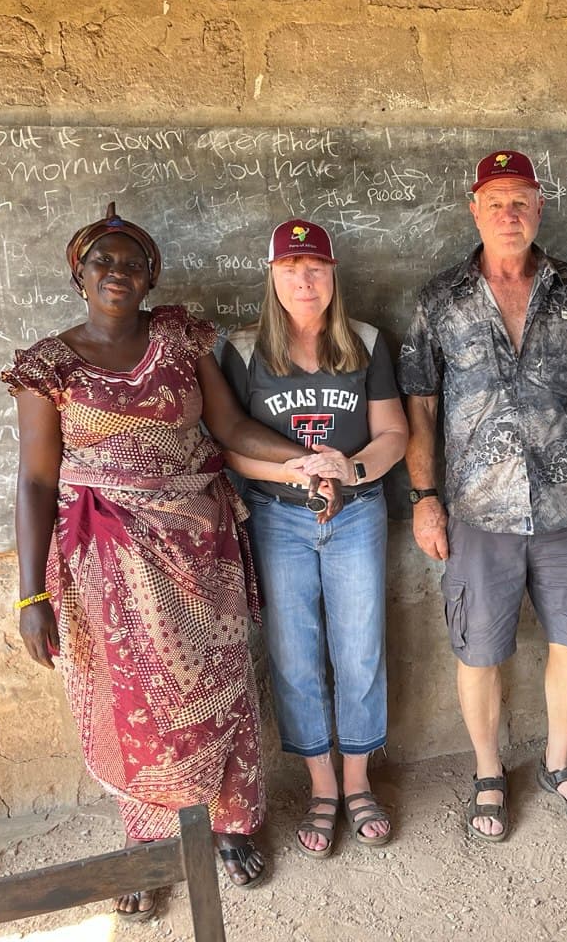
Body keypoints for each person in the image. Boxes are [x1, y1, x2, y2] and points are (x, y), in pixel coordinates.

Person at [3, 203, 337, 920]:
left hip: (201, 545)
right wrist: (32, 597)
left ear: (151, 275)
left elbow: (233, 427)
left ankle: (231, 826)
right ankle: (146, 847)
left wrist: (302, 457)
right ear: (78, 274)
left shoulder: (181, 341)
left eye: (131, 263)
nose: (116, 273)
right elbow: (34, 482)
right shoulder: (49, 367)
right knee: (132, 706)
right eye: (102, 262)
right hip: (109, 564)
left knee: (221, 687)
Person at [399, 149, 567, 842]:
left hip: (564, 503)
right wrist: (424, 497)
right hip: (476, 507)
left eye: (520, 200)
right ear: (474, 209)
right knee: (479, 652)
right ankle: (490, 772)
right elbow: (422, 405)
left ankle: (558, 763)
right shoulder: (440, 298)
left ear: (540, 206)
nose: (509, 214)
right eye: (496, 201)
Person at [215, 218, 408, 859]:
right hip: (278, 515)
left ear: (333, 276)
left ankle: (358, 783)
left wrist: (345, 470)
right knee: (295, 655)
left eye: (316, 267)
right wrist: (300, 468)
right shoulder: (242, 350)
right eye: (291, 267)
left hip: (356, 511)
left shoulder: (366, 341)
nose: (305, 278)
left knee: (360, 649)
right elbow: (234, 448)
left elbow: (393, 436)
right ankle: (320, 786)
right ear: (271, 276)